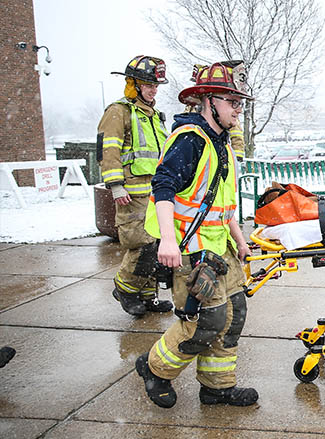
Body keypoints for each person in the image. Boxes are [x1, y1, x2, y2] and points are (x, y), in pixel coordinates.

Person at [135, 60, 257, 408]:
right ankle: (155, 369)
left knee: (233, 314)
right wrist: (169, 242)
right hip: (190, 249)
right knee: (206, 321)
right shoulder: (189, 140)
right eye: (231, 101)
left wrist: (239, 237)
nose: (238, 109)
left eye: (240, 103)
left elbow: (221, 201)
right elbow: (163, 188)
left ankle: (217, 387)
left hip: (219, 248)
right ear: (207, 101)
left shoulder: (222, 144)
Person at [97, 55, 173, 317]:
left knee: (156, 245)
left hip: (154, 194)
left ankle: (148, 296)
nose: (154, 90)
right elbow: (108, 150)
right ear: (134, 84)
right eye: (149, 85)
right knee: (141, 245)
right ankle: (125, 288)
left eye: (156, 86)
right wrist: (116, 185)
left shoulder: (153, 115)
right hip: (130, 194)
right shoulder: (119, 111)